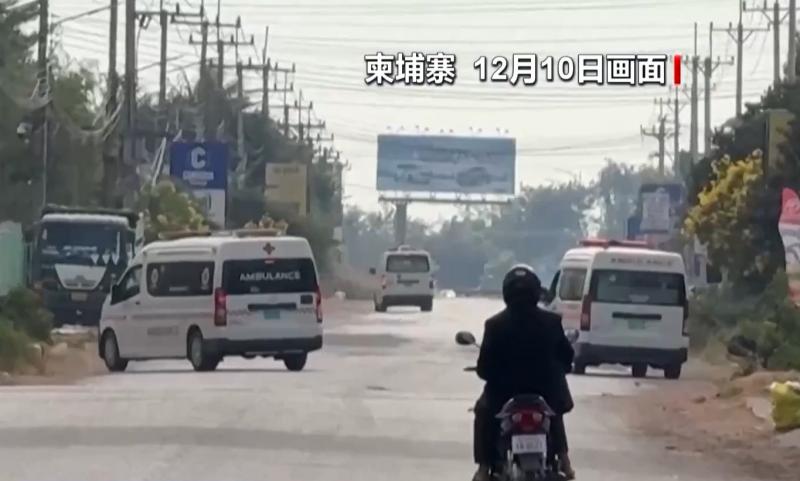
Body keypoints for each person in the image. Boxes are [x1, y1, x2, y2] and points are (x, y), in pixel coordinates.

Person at [472, 264, 575, 481]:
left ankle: (484, 467)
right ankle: (565, 460)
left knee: (483, 413)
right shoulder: (552, 322)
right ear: (536, 292)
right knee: (554, 413)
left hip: (503, 395)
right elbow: (567, 358)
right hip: (546, 392)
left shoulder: (495, 325)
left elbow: (484, 369)